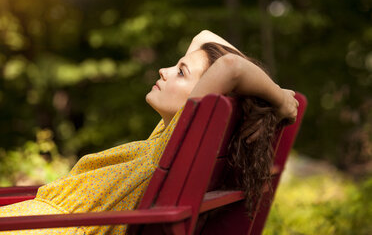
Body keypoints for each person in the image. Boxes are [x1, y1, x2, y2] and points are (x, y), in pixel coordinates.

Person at [0, 30, 298, 235]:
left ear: (204, 95)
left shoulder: (182, 132)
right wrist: (269, 94)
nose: (163, 71)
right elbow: (204, 37)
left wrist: (280, 99)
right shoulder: (168, 137)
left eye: (181, 72)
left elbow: (232, 66)